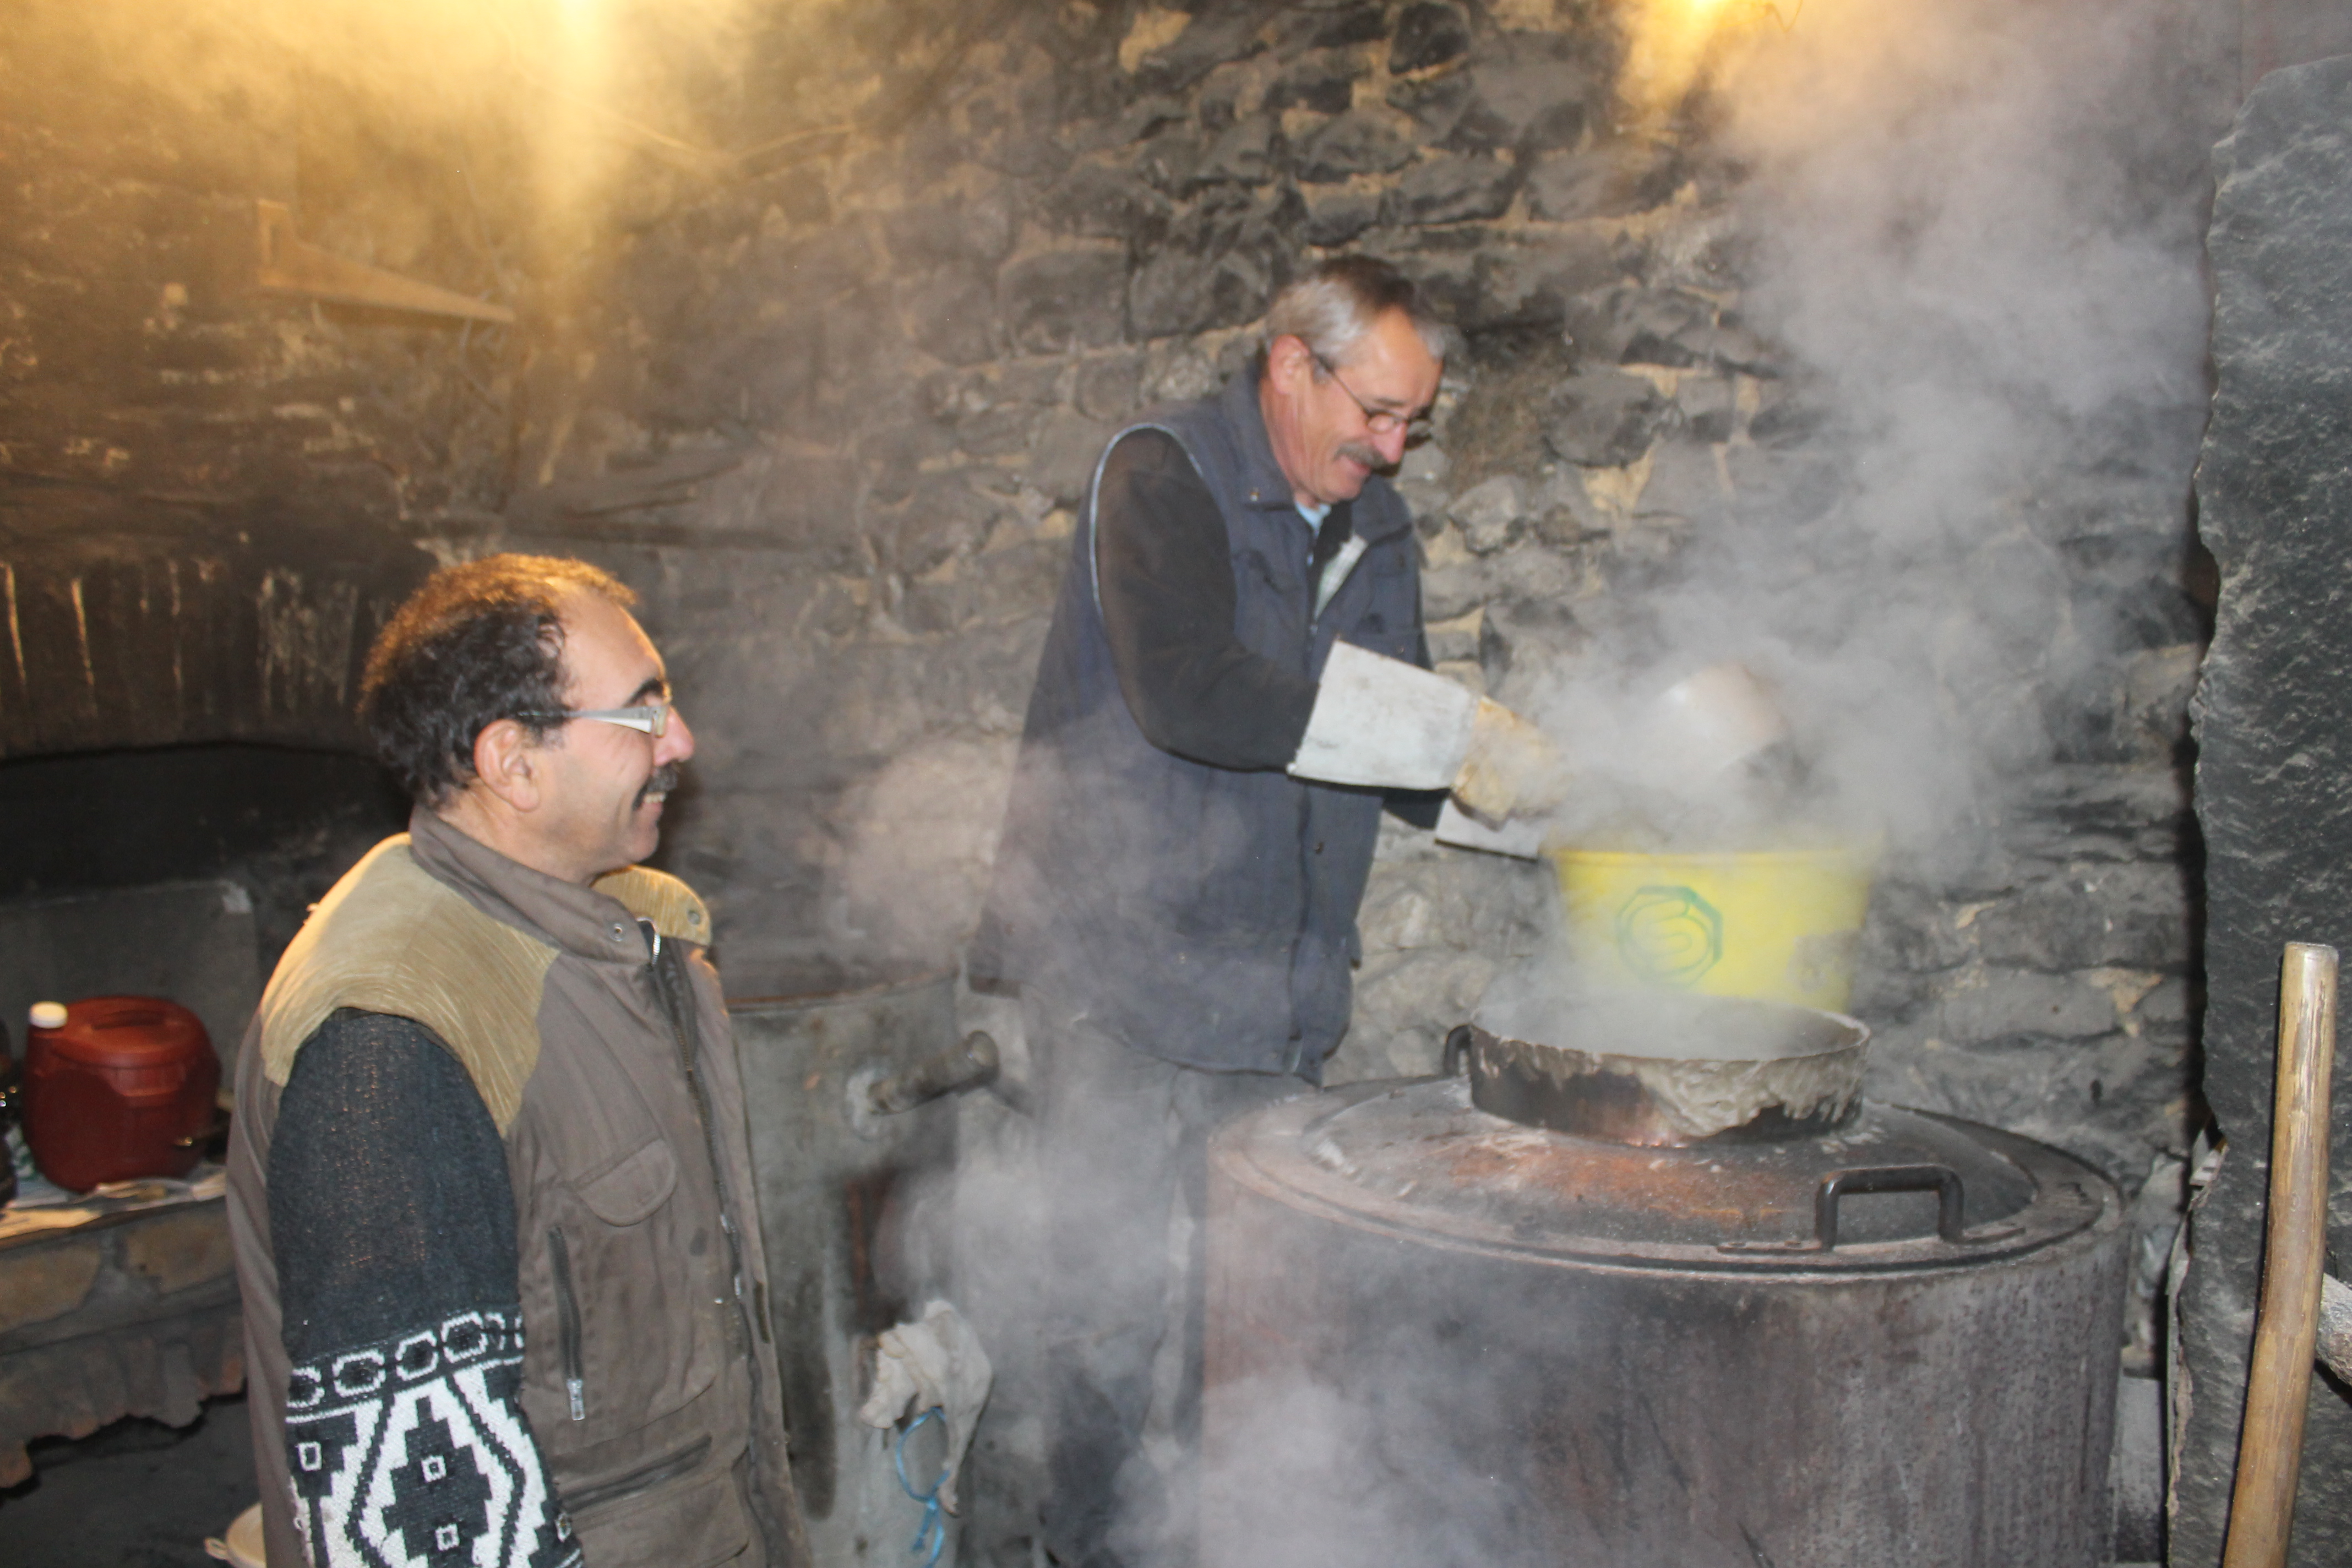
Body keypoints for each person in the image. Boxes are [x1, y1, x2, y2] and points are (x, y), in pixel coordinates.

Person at [968, 258, 1559, 1567]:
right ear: (1292, 363)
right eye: (1379, 411)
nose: (1394, 446)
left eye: (1416, 422)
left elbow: (1392, 759)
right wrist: (1447, 733)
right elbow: (1194, 694)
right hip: (1119, 976)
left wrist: (1539, 810)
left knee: (1263, 1316)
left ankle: (1228, 1542)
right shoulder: (1160, 474)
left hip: (1276, 998)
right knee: (1108, 1315)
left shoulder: (1376, 523)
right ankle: (1092, 1554)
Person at [225, 555, 808, 1568]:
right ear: (513, 763)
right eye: (640, 713)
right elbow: (424, 1528)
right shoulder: (393, 1040)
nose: (680, 740)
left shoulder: (616, 937)